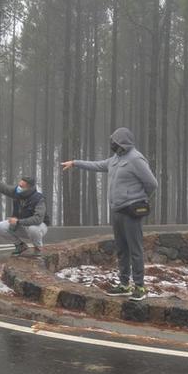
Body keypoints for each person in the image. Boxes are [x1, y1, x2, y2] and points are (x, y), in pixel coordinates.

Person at [61, 127, 157, 301]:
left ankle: (140, 287)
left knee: (135, 249)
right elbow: (97, 165)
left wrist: (140, 198)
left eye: (115, 140)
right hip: (117, 210)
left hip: (132, 212)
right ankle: (124, 284)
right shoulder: (115, 159)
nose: (112, 143)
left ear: (122, 141)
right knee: (122, 249)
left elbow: (152, 183)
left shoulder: (136, 159)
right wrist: (75, 163)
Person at [0, 167, 49, 257]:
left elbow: (38, 219)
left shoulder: (38, 199)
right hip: (22, 224)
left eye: (21, 186)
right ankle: (20, 246)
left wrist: (18, 221)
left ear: (29, 188)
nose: (18, 187)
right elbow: (1, 186)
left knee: (33, 229)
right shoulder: (16, 192)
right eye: (19, 185)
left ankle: (38, 249)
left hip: (39, 227)